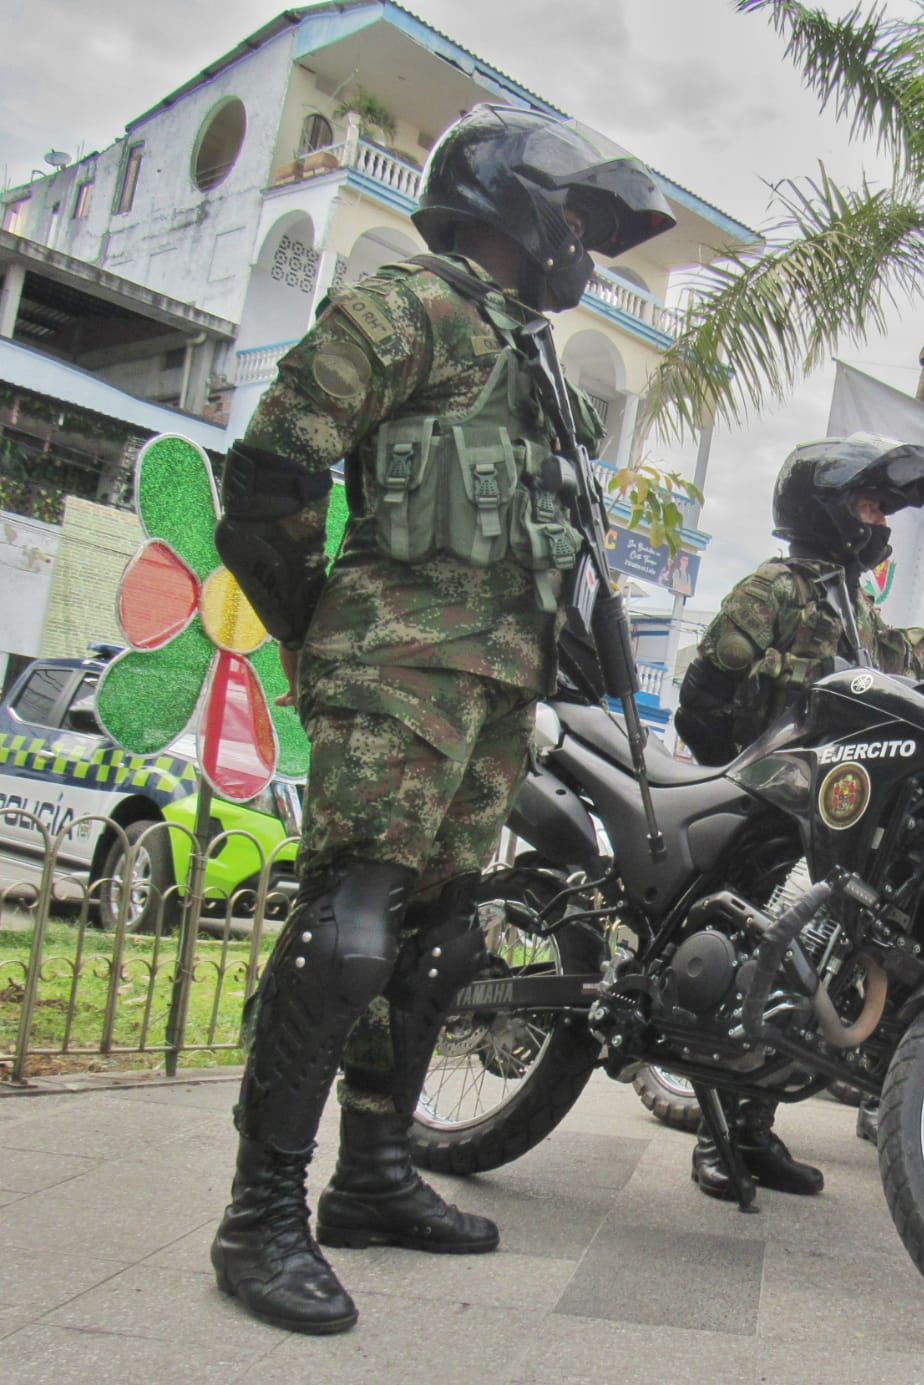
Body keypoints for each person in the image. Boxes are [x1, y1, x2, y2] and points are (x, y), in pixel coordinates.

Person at [209, 104, 674, 1334]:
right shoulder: (404, 309)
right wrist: (324, 630)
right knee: (353, 926)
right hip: (393, 675)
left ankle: (371, 1175)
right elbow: (268, 478)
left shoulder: (529, 354)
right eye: (574, 215)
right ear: (512, 200)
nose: (583, 240)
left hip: (492, 691)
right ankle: (261, 1215)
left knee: (445, 937)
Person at [673, 433, 924, 1199]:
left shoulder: (850, 603)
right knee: (752, 957)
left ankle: (756, 1131)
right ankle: (717, 1141)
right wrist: (733, 767)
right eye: (866, 503)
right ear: (822, 507)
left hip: (828, 807)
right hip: (762, 800)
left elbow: (908, 656)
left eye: (880, 507)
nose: (877, 518)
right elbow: (709, 682)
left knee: (801, 967)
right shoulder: (780, 585)